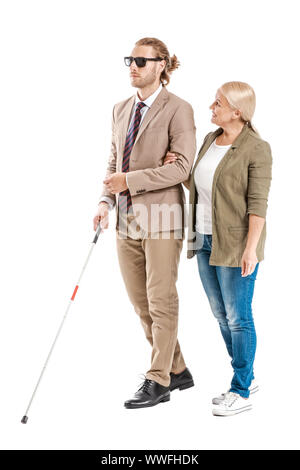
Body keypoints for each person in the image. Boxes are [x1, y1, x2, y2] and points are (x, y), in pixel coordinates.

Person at [93, 37, 196, 409]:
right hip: (125, 219)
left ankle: (159, 380)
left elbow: (183, 168)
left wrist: (131, 181)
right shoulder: (120, 109)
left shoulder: (179, 109)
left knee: (161, 299)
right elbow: (113, 162)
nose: (132, 66)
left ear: (161, 65)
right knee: (142, 304)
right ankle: (178, 368)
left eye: (141, 60)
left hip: (163, 218)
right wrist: (106, 200)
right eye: (130, 60)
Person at [164, 81, 272, 416]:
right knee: (220, 313)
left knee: (239, 317)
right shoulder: (211, 140)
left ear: (237, 112)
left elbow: (258, 205)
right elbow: (204, 185)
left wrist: (251, 250)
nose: (211, 108)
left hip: (236, 244)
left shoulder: (257, 148)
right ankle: (247, 374)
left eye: (218, 103)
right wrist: (180, 170)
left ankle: (241, 390)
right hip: (203, 237)